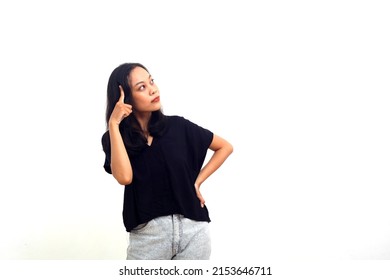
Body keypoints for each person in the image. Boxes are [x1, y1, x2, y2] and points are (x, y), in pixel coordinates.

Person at [101, 62, 233, 260]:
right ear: (126, 98)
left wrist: (196, 182)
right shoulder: (114, 138)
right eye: (142, 87)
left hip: (193, 230)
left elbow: (225, 147)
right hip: (148, 236)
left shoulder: (178, 126)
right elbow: (125, 177)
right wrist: (113, 123)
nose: (153, 89)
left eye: (151, 81)